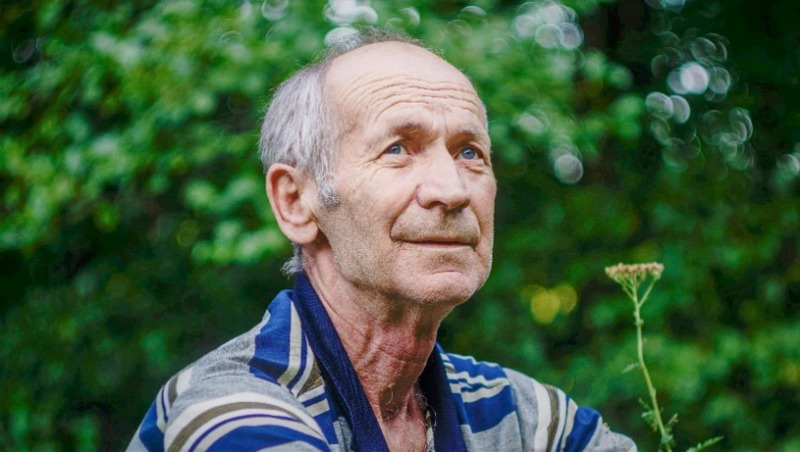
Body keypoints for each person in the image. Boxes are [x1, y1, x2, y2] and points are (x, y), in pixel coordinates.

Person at [129, 29, 636, 451]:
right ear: (296, 202)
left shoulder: (521, 416)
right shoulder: (229, 410)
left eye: (469, 153)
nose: (452, 190)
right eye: (398, 149)